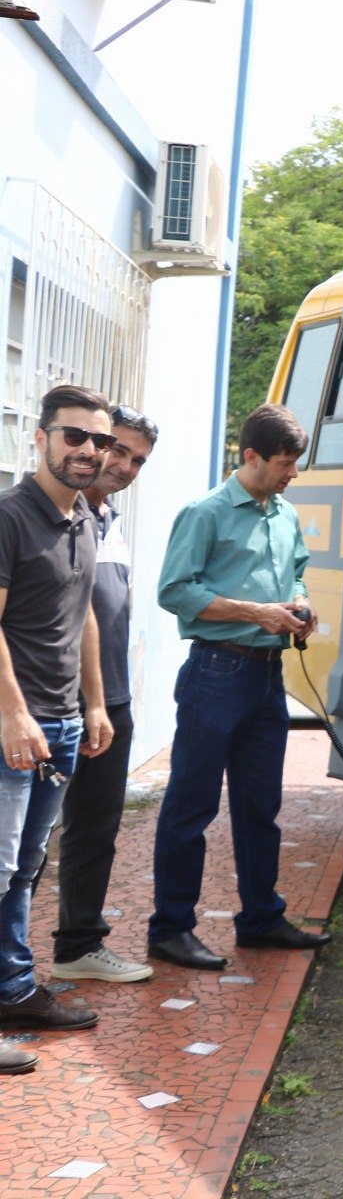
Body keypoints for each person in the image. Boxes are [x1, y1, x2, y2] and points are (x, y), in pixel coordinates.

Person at [148, 404, 330, 972]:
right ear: (250, 457)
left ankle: (260, 919)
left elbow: (296, 571)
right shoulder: (204, 512)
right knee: (191, 806)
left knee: (261, 806)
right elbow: (174, 591)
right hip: (215, 672)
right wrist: (258, 612)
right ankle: (171, 929)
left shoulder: (284, 514)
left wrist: (299, 605)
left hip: (266, 677)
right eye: (284, 463)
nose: (292, 473)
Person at [0, 385, 116, 1071]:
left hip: (64, 724)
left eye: (98, 440)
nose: (88, 451)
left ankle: (13, 991)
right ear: (41, 437)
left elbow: (86, 616)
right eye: (74, 436)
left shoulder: (85, 519)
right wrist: (13, 714)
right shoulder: (12, 517)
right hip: (15, 724)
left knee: (23, 869)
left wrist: (93, 704)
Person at [47, 406, 160, 984]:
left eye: (138, 460)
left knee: (95, 828)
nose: (124, 465)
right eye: (117, 449)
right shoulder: (58, 516)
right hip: (56, 703)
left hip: (108, 701)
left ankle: (79, 945)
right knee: (23, 841)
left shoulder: (106, 518)